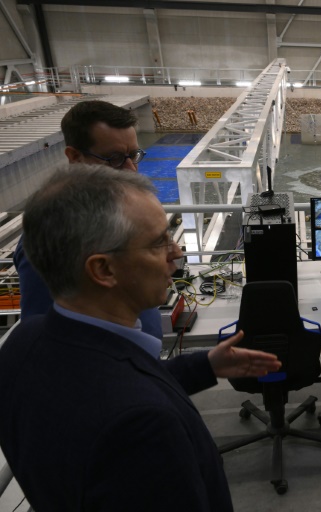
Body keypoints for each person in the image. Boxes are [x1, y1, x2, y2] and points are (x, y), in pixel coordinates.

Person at [0, 165, 282, 512]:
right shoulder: (143, 428)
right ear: (103, 270)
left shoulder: (22, 343)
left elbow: (112, 385)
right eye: (158, 242)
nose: (176, 254)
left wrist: (205, 365)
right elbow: (126, 401)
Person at [12, 100, 161, 337]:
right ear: (75, 157)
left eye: (133, 155)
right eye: (113, 158)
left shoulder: (119, 214)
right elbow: (46, 337)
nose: (131, 169)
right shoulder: (55, 238)